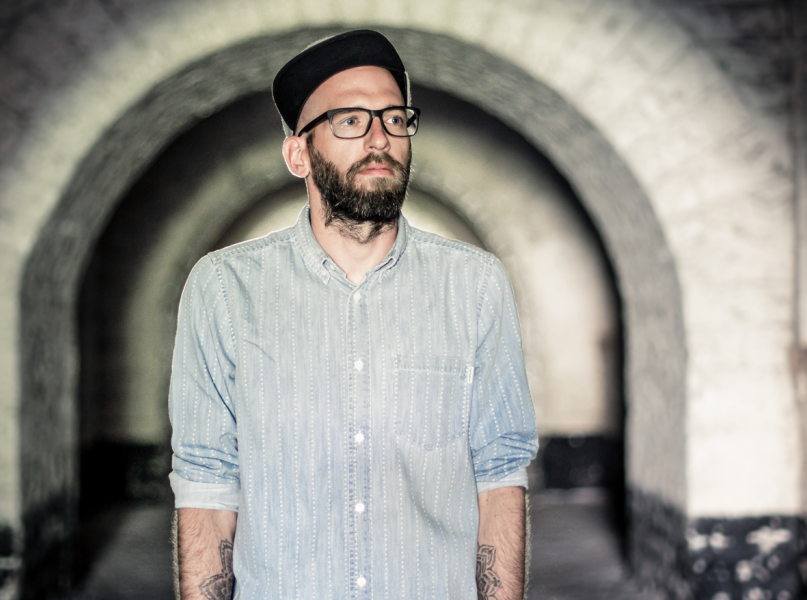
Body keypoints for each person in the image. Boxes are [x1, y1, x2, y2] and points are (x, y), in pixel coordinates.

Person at [168, 29, 538, 600]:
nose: (379, 138)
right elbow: (207, 484)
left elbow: (500, 477)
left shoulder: (475, 286)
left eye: (394, 119)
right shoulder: (223, 289)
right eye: (349, 120)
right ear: (298, 154)